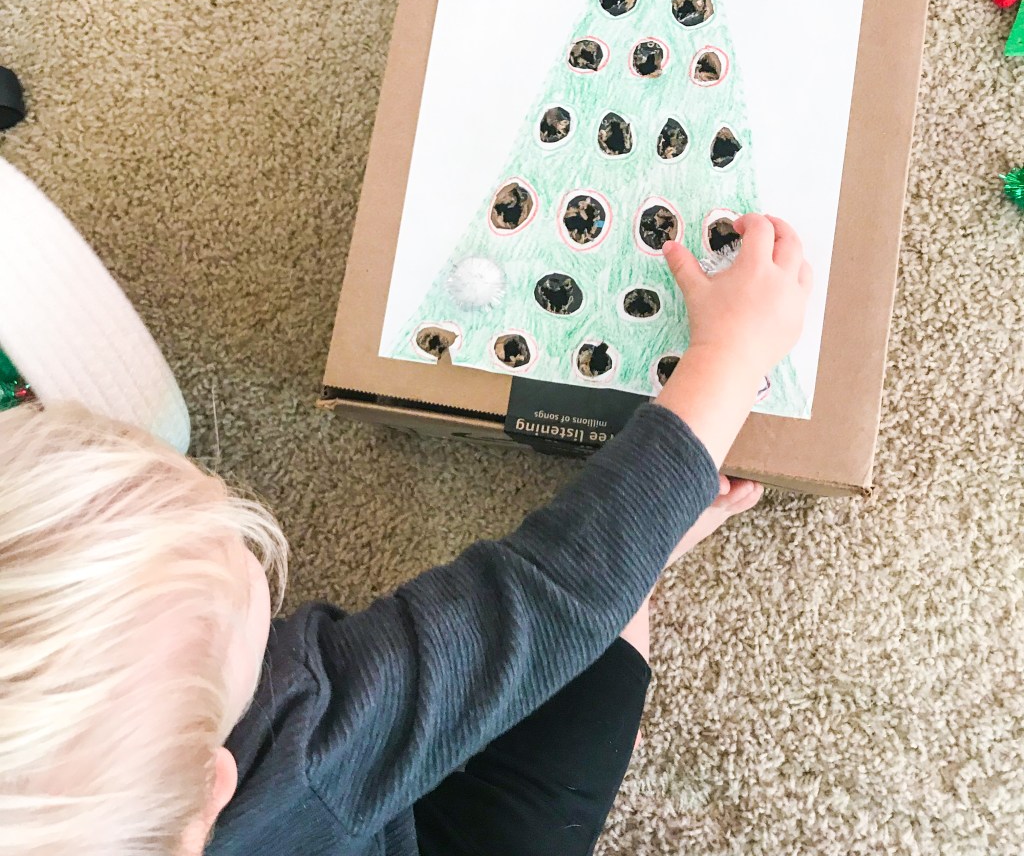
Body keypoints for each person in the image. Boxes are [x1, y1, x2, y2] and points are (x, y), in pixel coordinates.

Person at [0, 213, 811, 856]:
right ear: (213, 791)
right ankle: (652, 554)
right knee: (567, 714)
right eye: (239, 556)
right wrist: (730, 355)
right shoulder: (302, 761)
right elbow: (542, 597)